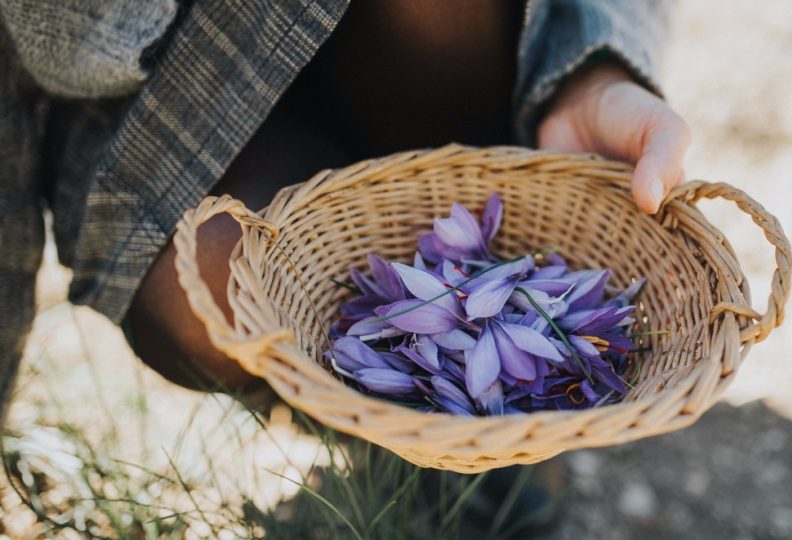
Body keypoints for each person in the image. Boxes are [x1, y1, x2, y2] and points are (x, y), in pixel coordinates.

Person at [0, 0, 688, 432]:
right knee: (224, 269)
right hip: (160, 84)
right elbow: (80, 54)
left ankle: (475, 426)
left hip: (422, 54)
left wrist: (587, 71)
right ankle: (380, 424)